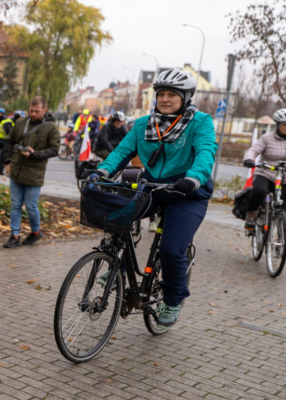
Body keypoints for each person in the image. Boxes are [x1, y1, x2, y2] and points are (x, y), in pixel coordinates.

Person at [92, 68, 216, 327]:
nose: (165, 99)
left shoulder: (200, 122)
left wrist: (193, 178)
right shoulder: (142, 124)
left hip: (187, 193)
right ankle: (117, 265)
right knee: (118, 216)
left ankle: (172, 300)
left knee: (172, 249)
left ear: (186, 98)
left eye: (173, 94)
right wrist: (102, 170)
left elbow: (206, 152)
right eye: (161, 94)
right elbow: (122, 151)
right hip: (152, 187)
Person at [2, 97, 60, 247]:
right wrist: (8, 161)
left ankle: (35, 232)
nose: (33, 114)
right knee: (15, 205)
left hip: (35, 172)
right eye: (31, 110)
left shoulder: (51, 127)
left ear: (44, 111)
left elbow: (54, 149)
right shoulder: (21, 123)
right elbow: (9, 141)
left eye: (37, 111)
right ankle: (14, 236)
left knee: (30, 206)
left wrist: (35, 154)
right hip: (17, 169)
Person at [241, 108, 286, 230]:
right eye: (284, 125)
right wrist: (249, 159)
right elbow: (253, 150)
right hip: (266, 172)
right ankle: (252, 213)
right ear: (278, 125)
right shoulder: (267, 138)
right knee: (259, 191)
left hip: (283, 176)